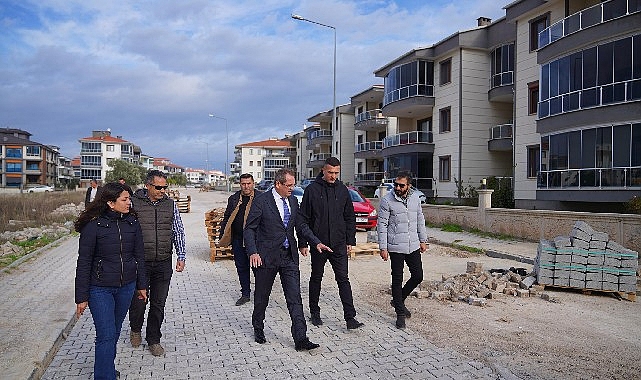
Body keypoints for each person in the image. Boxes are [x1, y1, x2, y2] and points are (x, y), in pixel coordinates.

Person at [74, 182, 148, 380]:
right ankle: (105, 376)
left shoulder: (132, 223)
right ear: (110, 202)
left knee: (113, 332)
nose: (129, 203)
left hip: (127, 287)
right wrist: (81, 297)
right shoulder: (93, 226)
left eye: (129, 199)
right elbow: (84, 262)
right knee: (106, 335)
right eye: (124, 199)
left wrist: (142, 285)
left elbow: (139, 256)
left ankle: (105, 369)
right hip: (100, 289)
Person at [244, 168, 321, 351]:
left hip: (288, 257)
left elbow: (301, 225)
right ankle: (258, 327)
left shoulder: (293, 201)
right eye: (289, 185)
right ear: (277, 184)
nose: (292, 189)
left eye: (293, 185)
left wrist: (314, 242)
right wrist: (253, 252)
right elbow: (249, 229)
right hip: (266, 257)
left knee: (295, 298)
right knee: (262, 297)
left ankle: (301, 338)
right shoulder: (261, 201)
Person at [298, 157, 364, 330]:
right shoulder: (311, 190)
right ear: (323, 171)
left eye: (336, 173)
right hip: (318, 244)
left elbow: (349, 217)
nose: (333, 176)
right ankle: (314, 312)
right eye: (330, 172)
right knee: (316, 278)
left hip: (339, 244)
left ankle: (350, 318)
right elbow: (303, 218)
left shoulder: (343, 190)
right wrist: (303, 243)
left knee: (343, 280)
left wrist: (350, 240)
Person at [128, 170, 186, 357]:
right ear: (148, 186)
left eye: (165, 187)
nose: (162, 190)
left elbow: (178, 230)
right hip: (140, 262)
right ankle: (135, 329)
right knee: (139, 301)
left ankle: (153, 339)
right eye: (158, 187)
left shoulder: (170, 205)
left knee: (158, 303)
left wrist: (181, 255)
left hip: (163, 261)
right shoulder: (134, 203)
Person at [377, 171, 429, 329]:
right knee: (397, 279)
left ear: (409, 185)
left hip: (412, 244)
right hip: (395, 246)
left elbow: (420, 219)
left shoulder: (415, 198)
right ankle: (400, 313)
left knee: (418, 276)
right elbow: (382, 225)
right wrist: (383, 247)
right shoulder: (387, 200)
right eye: (396, 184)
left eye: (401, 185)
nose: (398, 187)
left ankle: (398, 300)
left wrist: (423, 240)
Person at [219, 173, 261, 306]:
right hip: (238, 239)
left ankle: (260, 294)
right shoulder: (234, 198)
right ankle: (245, 294)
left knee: (258, 268)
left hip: (255, 241)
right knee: (241, 267)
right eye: (243, 184)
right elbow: (227, 217)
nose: (246, 186)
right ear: (240, 184)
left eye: (249, 183)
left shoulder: (261, 198)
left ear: (253, 183)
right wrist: (222, 235)